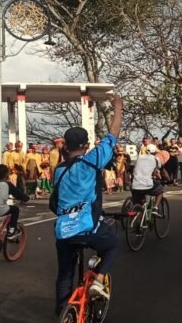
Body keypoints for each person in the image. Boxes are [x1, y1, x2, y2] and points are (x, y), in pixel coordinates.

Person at [52, 95, 122, 316]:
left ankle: (63, 312)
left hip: (63, 229)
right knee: (111, 245)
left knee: (65, 274)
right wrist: (118, 108)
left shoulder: (58, 170)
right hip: (87, 225)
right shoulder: (91, 160)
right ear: (86, 145)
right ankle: (99, 280)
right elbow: (113, 136)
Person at [0, 164, 30, 238]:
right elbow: (18, 194)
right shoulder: (8, 185)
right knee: (15, 210)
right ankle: (11, 229)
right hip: (0, 209)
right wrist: (26, 198)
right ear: (6, 174)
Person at [130, 144, 165, 212]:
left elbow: (133, 167)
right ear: (155, 152)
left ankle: (138, 213)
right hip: (146, 184)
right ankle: (155, 208)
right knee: (160, 190)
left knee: (139, 201)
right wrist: (168, 179)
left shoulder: (139, 157)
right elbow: (162, 170)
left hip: (134, 184)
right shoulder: (156, 159)